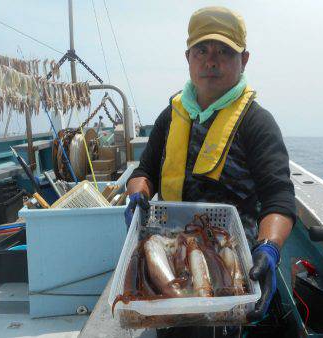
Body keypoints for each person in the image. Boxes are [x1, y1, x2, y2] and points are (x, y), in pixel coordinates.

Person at [125, 6, 296, 337]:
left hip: (230, 250)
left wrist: (270, 248)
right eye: (202, 50)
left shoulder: (257, 123)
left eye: (224, 51)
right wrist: (137, 195)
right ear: (188, 57)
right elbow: (143, 171)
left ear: (243, 60)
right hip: (170, 244)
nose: (211, 60)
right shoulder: (170, 116)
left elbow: (279, 198)